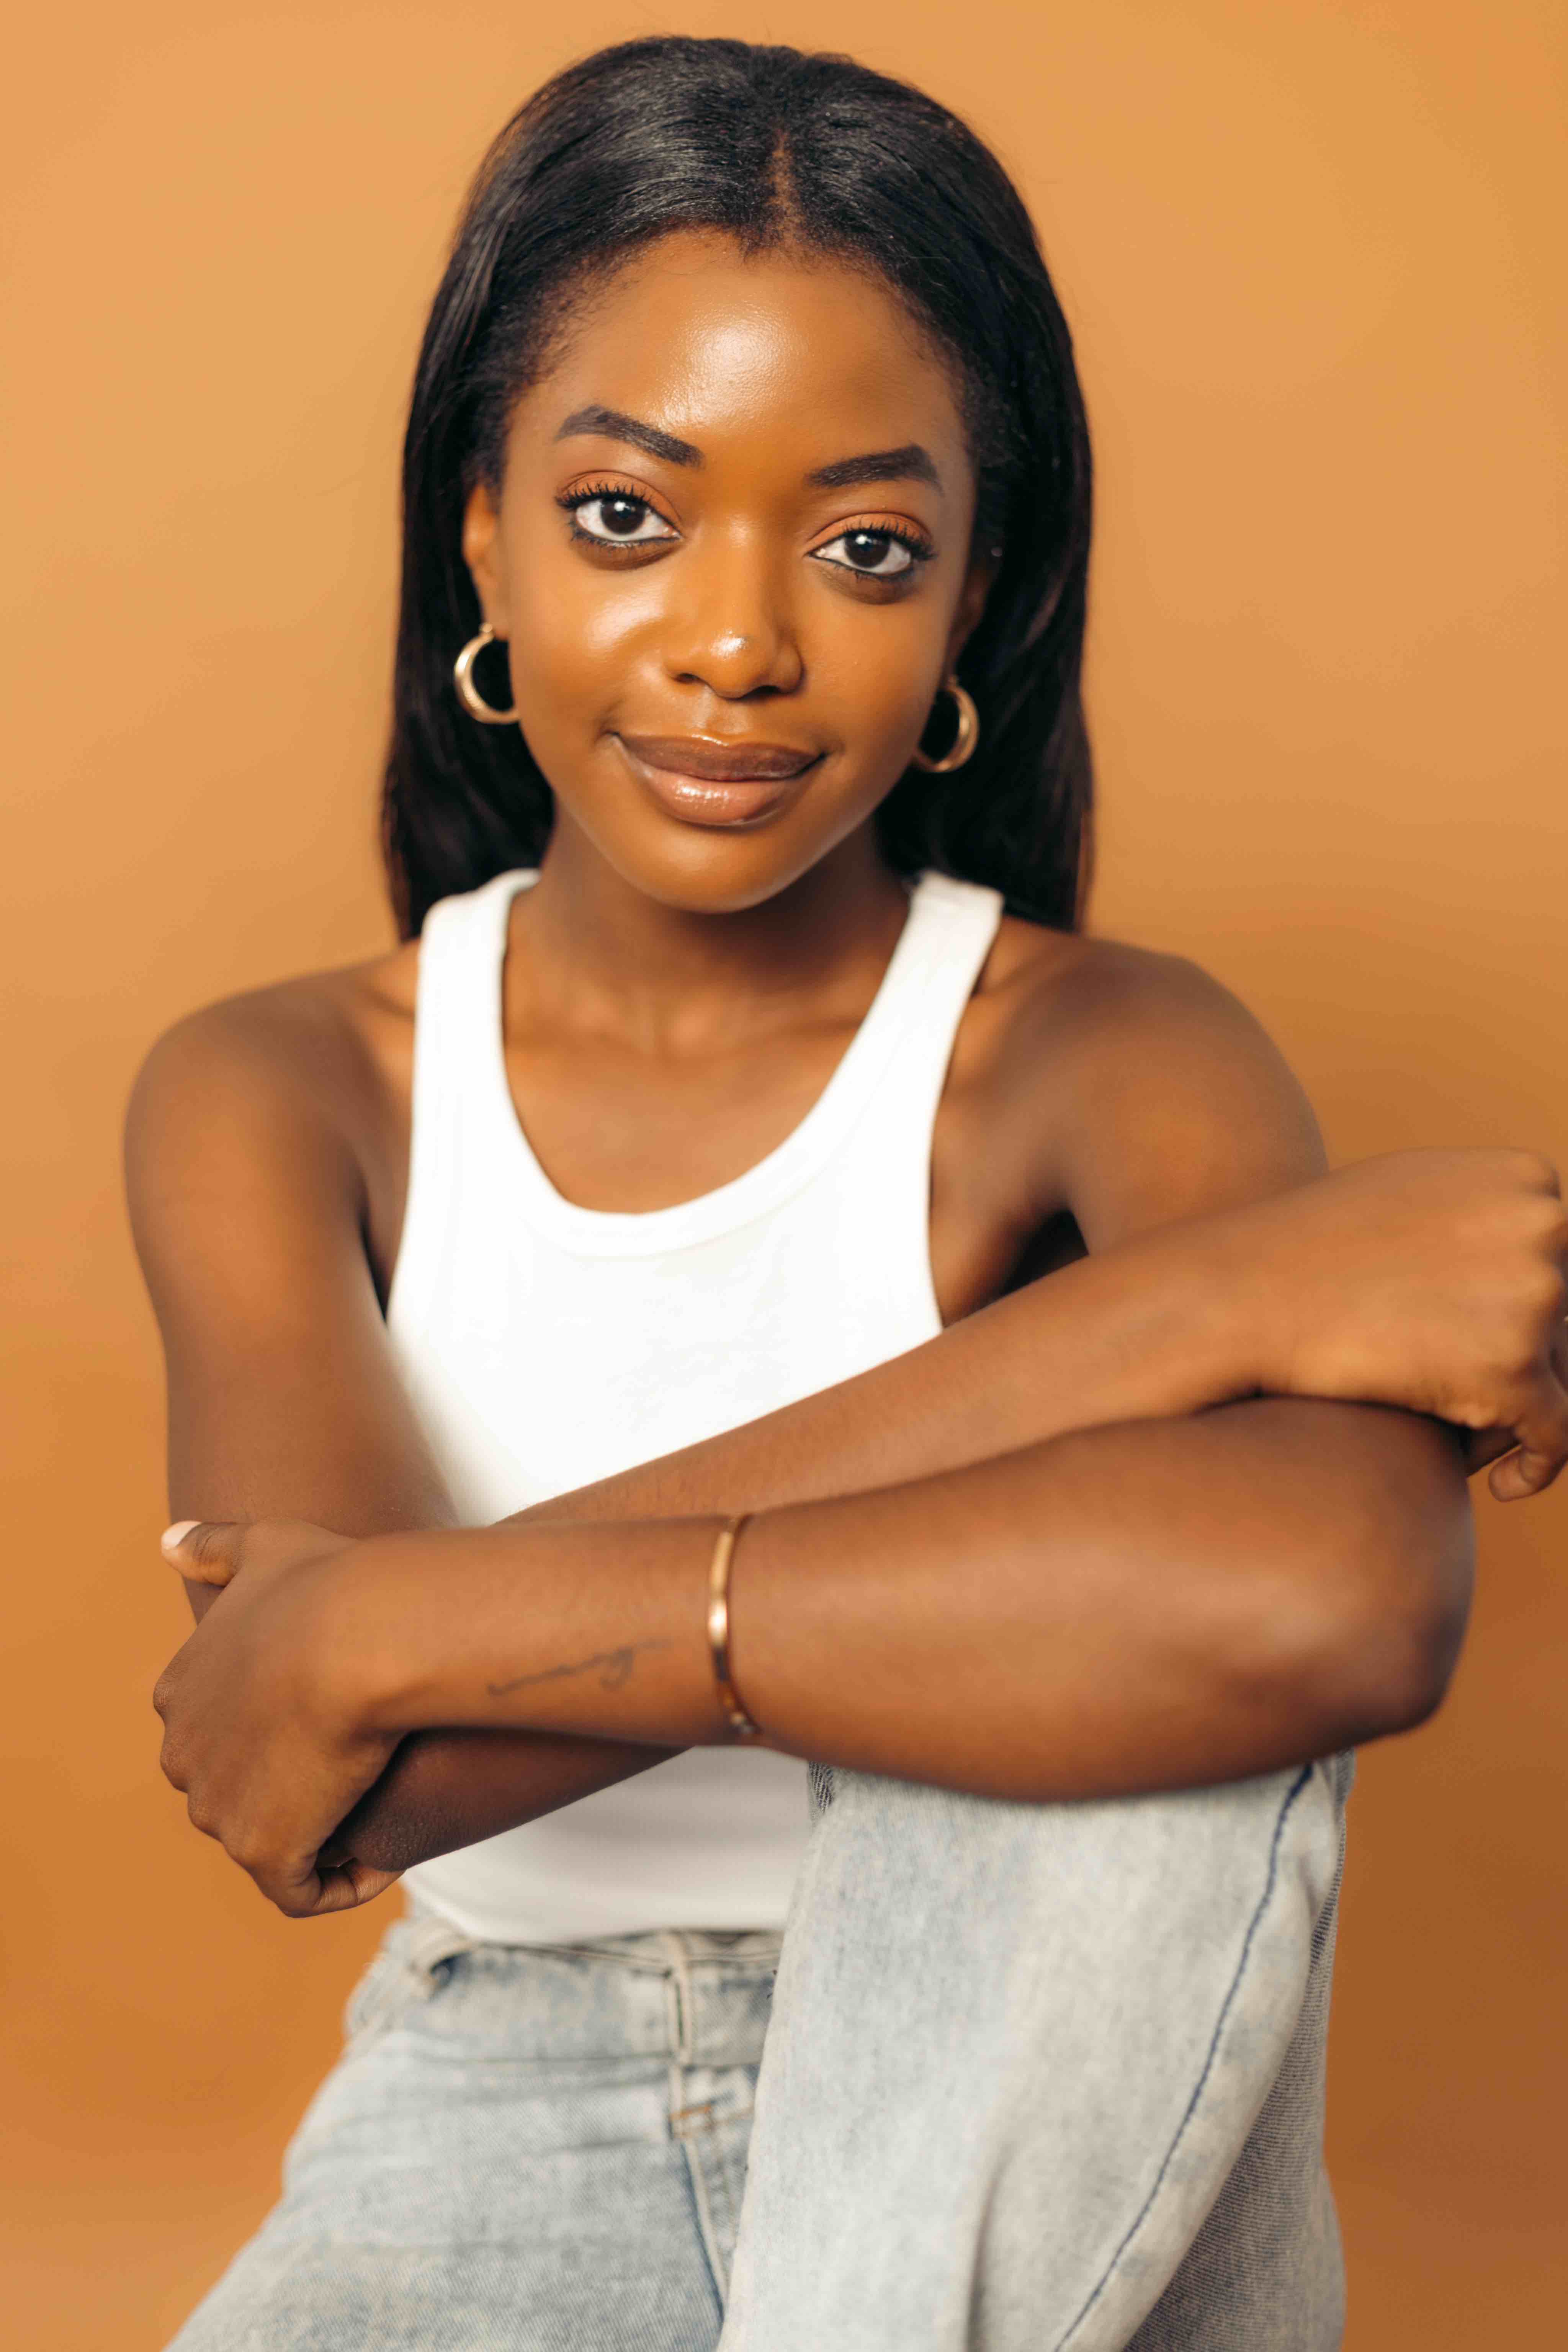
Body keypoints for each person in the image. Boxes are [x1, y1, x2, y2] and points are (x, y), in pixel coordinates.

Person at [129, 34, 1568, 2352]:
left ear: (979, 591)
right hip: (502, 2096)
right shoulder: (290, 1089)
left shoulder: (1100, 1058)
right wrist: (1189, 1321)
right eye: (626, 515)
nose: (737, 643)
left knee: (1142, 1736)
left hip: (1025, 2048)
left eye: (867, 546)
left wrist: (405, 1614)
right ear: (480, 530)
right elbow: (346, 1771)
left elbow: (1336, 1601)